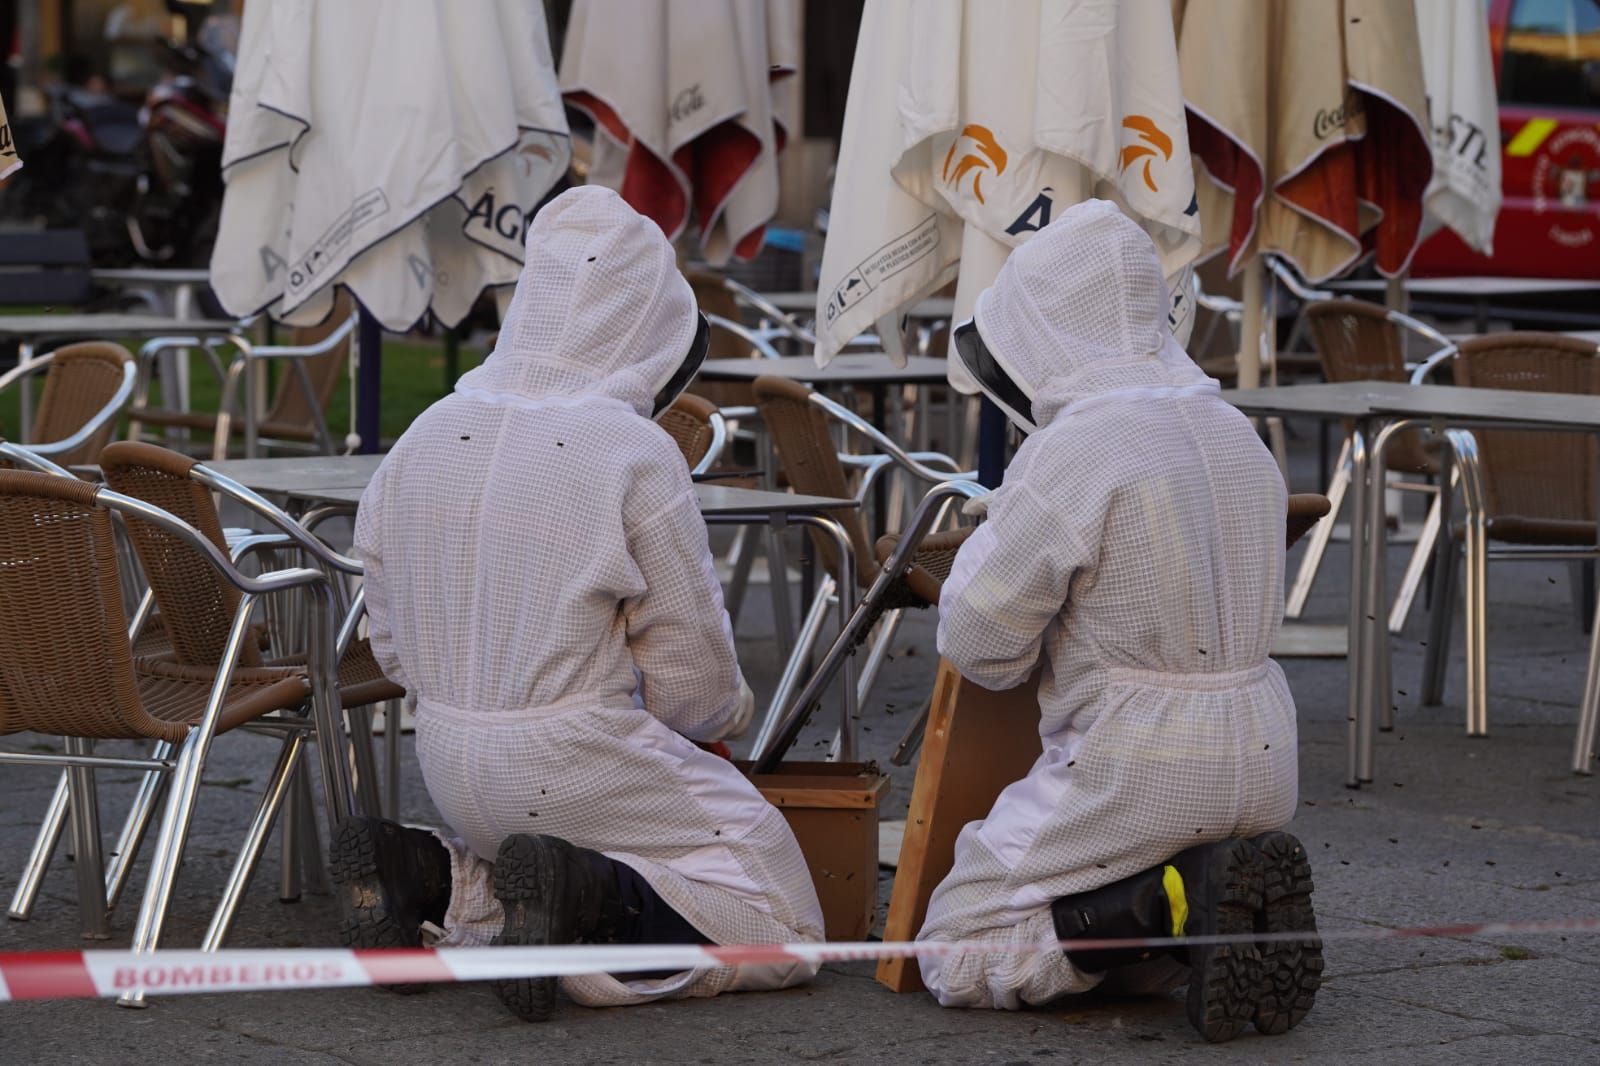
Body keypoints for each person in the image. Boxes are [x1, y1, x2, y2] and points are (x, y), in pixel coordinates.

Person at [338, 186, 824, 1022]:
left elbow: (386, 632)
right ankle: (599, 904)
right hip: (579, 757)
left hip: (448, 753)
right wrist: (720, 719)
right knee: (780, 915)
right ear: (652, 329)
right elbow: (691, 686)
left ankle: (432, 877)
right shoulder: (631, 451)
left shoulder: (423, 431)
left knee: (546, 846)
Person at [916, 200, 1320, 1043]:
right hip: (1266, 753)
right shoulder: (1238, 434)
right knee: (1100, 938)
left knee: (958, 946)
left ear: (1039, 329)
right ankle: (1203, 894)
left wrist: (989, 545)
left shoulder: (1078, 449)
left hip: (1136, 762)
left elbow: (981, 648)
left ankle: (1159, 903)